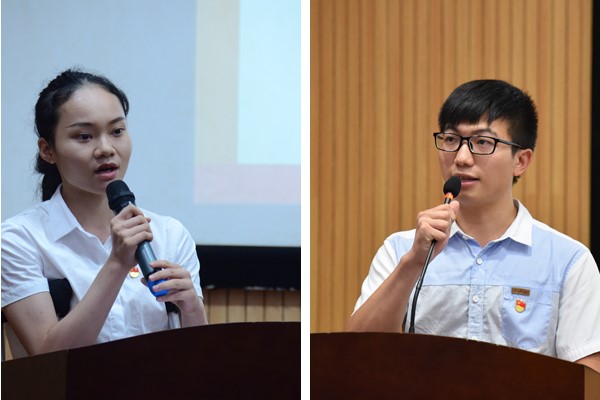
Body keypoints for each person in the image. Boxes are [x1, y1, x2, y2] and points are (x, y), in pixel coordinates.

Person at [346, 79, 600, 373]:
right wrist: (413, 262)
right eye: (451, 140)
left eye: (483, 143)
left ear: (521, 160)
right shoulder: (400, 251)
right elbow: (355, 352)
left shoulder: (568, 261)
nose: (462, 158)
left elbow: (589, 372)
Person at [1, 68, 208, 357]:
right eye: (84, 136)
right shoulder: (20, 240)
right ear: (48, 150)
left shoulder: (169, 234)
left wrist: (192, 308)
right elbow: (48, 357)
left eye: (117, 131)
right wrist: (117, 264)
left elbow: (200, 359)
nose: (106, 149)